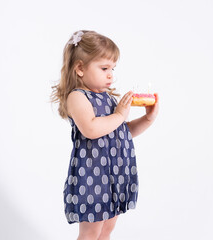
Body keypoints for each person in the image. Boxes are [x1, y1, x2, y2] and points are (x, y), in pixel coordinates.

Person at [51, 30, 159, 240]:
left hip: (115, 175)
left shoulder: (107, 97)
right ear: (80, 68)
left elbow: (121, 132)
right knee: (91, 232)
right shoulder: (77, 97)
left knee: (107, 229)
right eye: (104, 68)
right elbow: (91, 129)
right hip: (93, 176)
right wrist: (119, 114)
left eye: (112, 68)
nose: (111, 74)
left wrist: (147, 119)